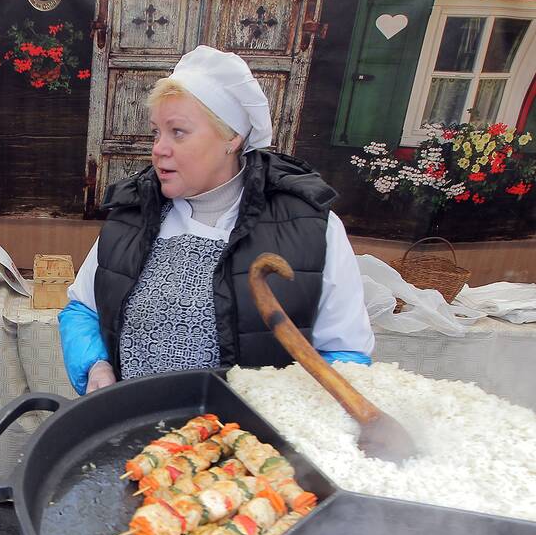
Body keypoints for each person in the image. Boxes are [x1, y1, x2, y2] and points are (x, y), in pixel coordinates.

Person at [59, 45, 374, 395]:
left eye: (178, 132)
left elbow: (346, 354)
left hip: (252, 443)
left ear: (232, 137)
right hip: (136, 432)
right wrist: (96, 366)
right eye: (156, 132)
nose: (159, 148)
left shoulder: (310, 228)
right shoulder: (131, 217)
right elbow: (82, 310)